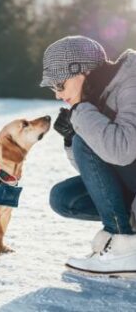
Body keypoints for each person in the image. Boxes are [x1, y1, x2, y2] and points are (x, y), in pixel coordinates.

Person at [40, 35, 136, 275]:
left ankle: (124, 245)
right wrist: (71, 138)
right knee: (64, 197)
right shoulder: (99, 94)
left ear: (82, 72)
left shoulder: (132, 83)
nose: (57, 95)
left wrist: (82, 112)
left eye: (59, 85)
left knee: (86, 140)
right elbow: (97, 171)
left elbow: (122, 151)